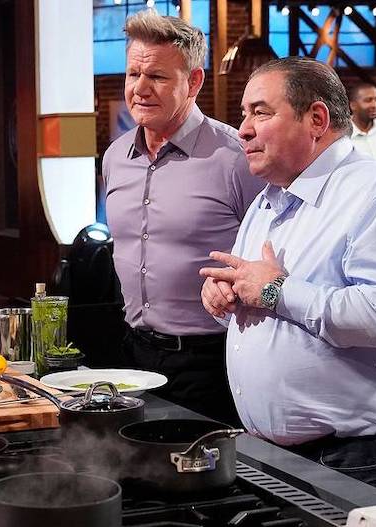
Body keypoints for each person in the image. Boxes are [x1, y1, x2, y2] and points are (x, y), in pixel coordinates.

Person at [200, 57, 376, 510]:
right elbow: (259, 292)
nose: (243, 130)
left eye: (260, 113)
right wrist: (227, 296)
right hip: (279, 453)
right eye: (243, 114)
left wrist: (276, 291)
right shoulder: (267, 201)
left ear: (316, 119)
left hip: (366, 457)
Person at [102, 10, 264, 426]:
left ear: (194, 81)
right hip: (132, 353)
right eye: (133, 74)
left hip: (211, 360)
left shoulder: (236, 158)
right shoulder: (116, 156)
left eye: (157, 76)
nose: (140, 88)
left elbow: (277, 254)